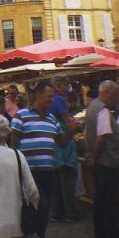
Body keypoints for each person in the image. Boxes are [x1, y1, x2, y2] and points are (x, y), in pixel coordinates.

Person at [10, 81, 72, 238]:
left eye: (52, 96)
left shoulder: (52, 119)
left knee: (44, 210)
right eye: (49, 96)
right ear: (38, 95)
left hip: (48, 171)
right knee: (39, 208)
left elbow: (61, 142)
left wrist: (70, 130)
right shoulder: (21, 116)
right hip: (30, 172)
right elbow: (13, 145)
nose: (52, 99)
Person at [84, 80, 119, 238]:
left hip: (99, 163)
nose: (116, 98)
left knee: (100, 199)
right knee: (110, 201)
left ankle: (100, 232)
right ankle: (113, 237)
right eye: (114, 95)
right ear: (105, 92)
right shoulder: (103, 111)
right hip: (106, 162)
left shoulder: (92, 107)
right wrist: (95, 155)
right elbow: (103, 136)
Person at [49, 78, 79, 223]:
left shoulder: (49, 102)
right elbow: (69, 122)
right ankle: (70, 213)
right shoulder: (59, 100)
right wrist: (73, 126)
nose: (67, 89)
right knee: (67, 180)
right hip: (63, 146)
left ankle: (56, 212)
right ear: (57, 85)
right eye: (66, 85)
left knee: (56, 181)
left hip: (53, 145)